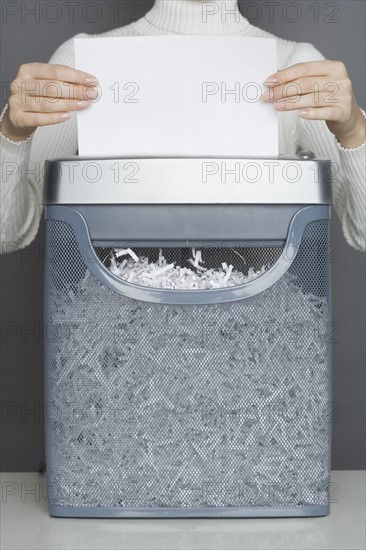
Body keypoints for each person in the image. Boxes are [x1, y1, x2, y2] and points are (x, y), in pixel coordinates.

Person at [1, 0, 365, 252]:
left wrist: (353, 130)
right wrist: (11, 134)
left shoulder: (294, 66)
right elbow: (8, 235)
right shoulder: (81, 64)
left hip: (255, 332)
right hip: (119, 335)